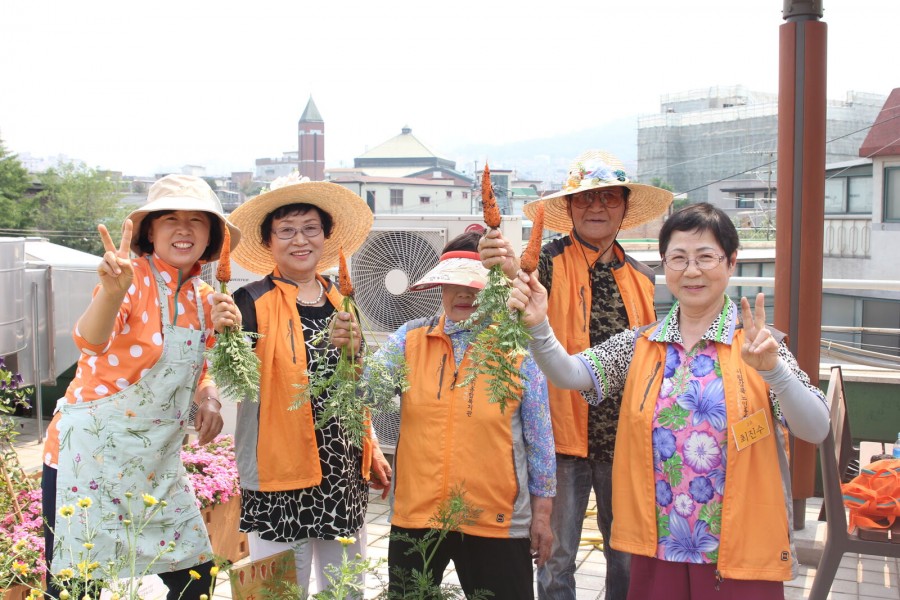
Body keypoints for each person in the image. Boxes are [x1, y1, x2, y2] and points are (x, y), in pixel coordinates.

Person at [508, 202, 830, 600]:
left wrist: (774, 372)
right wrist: (539, 325)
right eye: (678, 258)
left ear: (731, 262)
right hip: (658, 547)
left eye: (706, 257)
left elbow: (816, 428)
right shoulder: (642, 343)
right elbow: (570, 374)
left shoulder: (760, 346)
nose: (691, 271)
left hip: (740, 550)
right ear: (664, 265)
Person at [479, 150, 673, 600]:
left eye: (608, 198)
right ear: (568, 208)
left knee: (627, 554)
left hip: (625, 439)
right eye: (585, 198)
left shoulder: (643, 276)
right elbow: (517, 287)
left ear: (624, 207)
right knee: (556, 557)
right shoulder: (545, 261)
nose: (597, 207)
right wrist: (504, 268)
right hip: (559, 435)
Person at [41, 174, 242, 599]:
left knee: (197, 580)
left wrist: (209, 399)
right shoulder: (129, 279)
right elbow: (91, 341)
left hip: (157, 468)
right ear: (150, 231)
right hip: (88, 460)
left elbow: (200, 369)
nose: (183, 228)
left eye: (196, 220)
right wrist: (111, 294)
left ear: (212, 236)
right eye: (170, 218)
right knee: (75, 587)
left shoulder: (207, 298)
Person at [350, 231, 556, 600]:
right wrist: (351, 357)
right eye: (453, 283)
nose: (464, 294)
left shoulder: (518, 345)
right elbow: (366, 395)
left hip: (495, 519)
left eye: (475, 283)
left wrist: (542, 515)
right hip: (418, 516)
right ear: (440, 286)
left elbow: (539, 439)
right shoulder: (410, 338)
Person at [223, 175, 392, 595]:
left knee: (344, 588)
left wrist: (370, 444)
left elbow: (355, 384)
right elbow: (233, 379)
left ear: (326, 236)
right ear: (269, 242)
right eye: (286, 230)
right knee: (277, 590)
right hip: (277, 469)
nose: (300, 240)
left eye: (310, 228)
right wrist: (224, 336)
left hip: (340, 468)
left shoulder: (342, 298)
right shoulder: (248, 301)